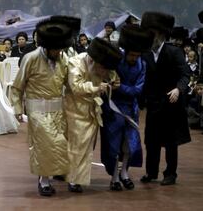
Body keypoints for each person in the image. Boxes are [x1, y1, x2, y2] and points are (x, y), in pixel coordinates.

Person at [10, 16, 73, 196]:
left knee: (60, 143)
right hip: (37, 110)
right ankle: (44, 181)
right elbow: (17, 87)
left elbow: (70, 84)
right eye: (56, 49)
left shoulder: (64, 59)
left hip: (58, 110)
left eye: (61, 48)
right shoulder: (30, 58)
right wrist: (17, 108)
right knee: (44, 145)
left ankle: (56, 174)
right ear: (46, 46)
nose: (58, 52)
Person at [100, 24, 154, 191]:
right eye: (132, 55)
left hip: (131, 109)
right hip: (113, 108)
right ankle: (115, 177)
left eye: (137, 55)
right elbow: (108, 82)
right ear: (126, 51)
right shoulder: (115, 61)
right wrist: (115, 87)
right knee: (114, 145)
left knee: (129, 144)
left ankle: (124, 173)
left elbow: (138, 90)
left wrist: (120, 87)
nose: (134, 58)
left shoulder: (142, 65)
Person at [64, 38, 122, 192]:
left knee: (88, 145)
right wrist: (96, 87)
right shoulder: (75, 62)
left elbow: (113, 76)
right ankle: (73, 179)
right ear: (93, 60)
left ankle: (75, 176)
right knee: (77, 144)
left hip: (94, 109)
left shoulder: (104, 64)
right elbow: (76, 86)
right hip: (74, 108)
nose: (104, 72)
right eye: (102, 68)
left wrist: (115, 83)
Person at [140, 11, 191, 186]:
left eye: (153, 33)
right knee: (151, 141)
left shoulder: (174, 51)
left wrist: (179, 89)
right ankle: (151, 172)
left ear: (161, 34)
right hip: (153, 104)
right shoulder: (144, 53)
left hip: (171, 103)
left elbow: (185, 74)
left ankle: (170, 174)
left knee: (171, 142)